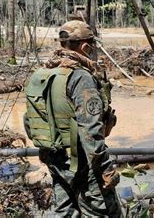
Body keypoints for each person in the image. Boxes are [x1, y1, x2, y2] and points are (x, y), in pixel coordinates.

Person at [23, 20, 121, 217]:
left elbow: (29, 120)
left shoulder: (42, 74)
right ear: (86, 47)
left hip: (56, 162)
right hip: (84, 165)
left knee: (65, 213)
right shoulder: (80, 78)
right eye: (92, 46)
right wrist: (106, 169)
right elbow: (90, 131)